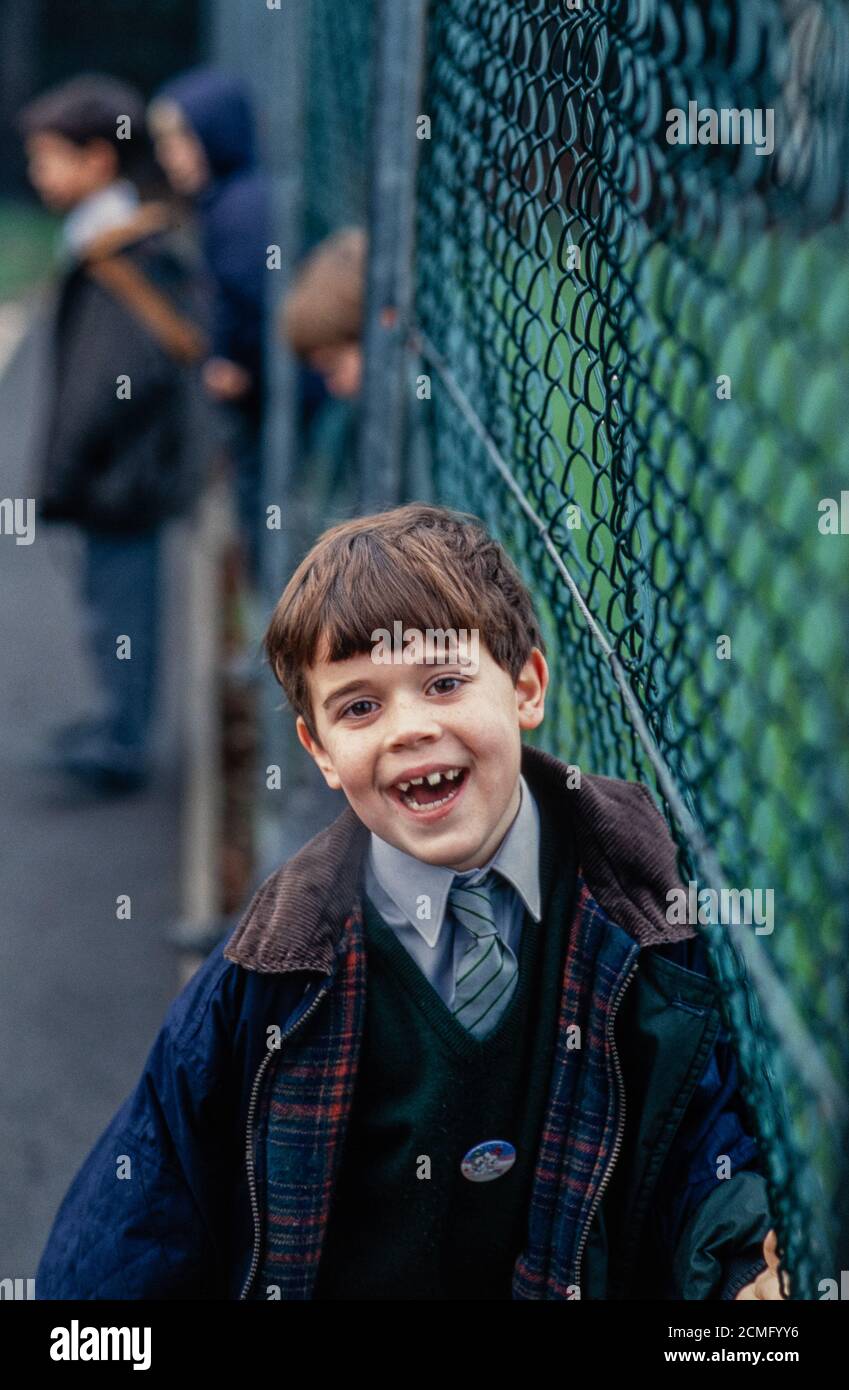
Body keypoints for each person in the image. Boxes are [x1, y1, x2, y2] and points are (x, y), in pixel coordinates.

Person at [34, 503, 784, 1300]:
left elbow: (697, 1142)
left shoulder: (639, 915)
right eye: (359, 707)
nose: (408, 729)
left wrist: (736, 1269)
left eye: (443, 682)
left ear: (526, 687)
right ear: (319, 750)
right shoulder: (270, 968)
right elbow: (140, 1217)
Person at [18, 75, 209, 793]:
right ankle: (114, 723)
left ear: (98, 159)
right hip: (120, 471)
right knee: (109, 603)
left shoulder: (121, 249)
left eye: (48, 157)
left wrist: (63, 471)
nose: (38, 173)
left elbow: (110, 383)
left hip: (120, 474)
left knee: (122, 604)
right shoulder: (115, 238)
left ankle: (123, 744)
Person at [148, 69, 269, 585]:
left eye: (180, 141)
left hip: (265, 405)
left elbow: (260, 305)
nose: (169, 157)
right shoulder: (226, 202)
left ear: (214, 135)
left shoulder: (240, 211)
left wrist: (241, 365)